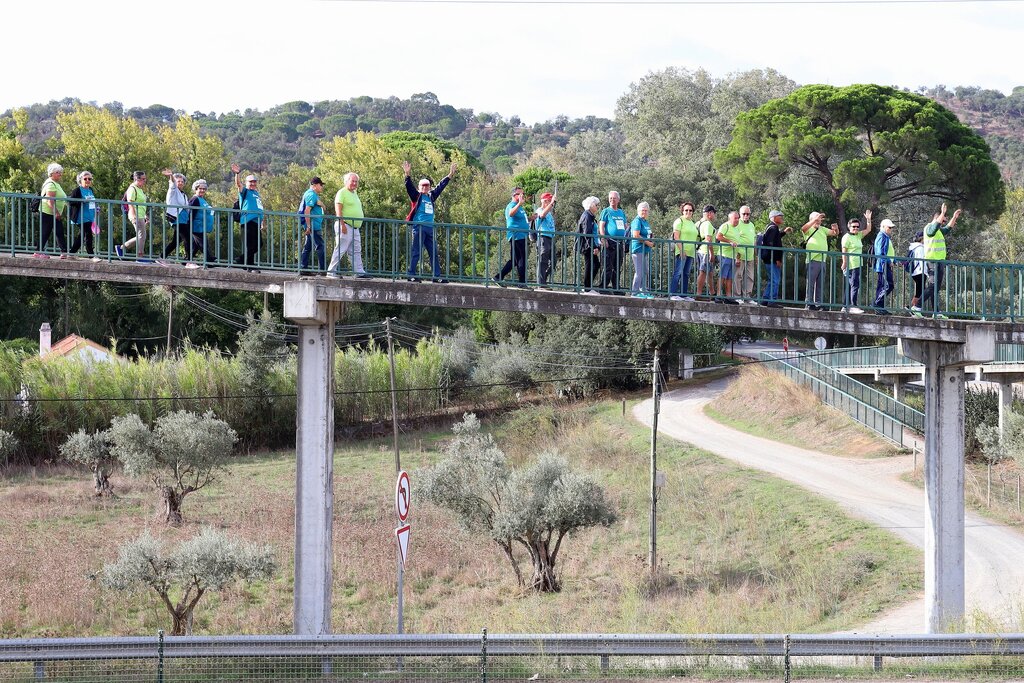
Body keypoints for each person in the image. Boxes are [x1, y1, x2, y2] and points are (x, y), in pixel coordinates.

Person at [403, 160, 456, 282]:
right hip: (419, 227)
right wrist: (407, 175)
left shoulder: (431, 196)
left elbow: (440, 187)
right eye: (423, 186)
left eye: (427, 186)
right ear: (419, 187)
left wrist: (449, 175)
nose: (425, 187)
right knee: (416, 251)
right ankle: (411, 274)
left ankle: (437, 277)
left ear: (429, 187)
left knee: (433, 253)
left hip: (430, 228)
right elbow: (409, 187)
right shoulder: (417, 196)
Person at [920, 202, 961, 318]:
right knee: (932, 286)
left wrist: (954, 217)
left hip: (939, 261)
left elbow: (947, 229)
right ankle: (916, 306)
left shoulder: (938, 230)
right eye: (942, 220)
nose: (943, 223)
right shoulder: (929, 228)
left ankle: (936, 312)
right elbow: (933, 230)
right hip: (932, 261)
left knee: (936, 288)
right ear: (936, 219)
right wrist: (942, 213)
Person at [327, 172, 367, 278]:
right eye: (352, 181)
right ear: (346, 181)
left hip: (355, 227)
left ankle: (359, 271)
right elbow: (338, 209)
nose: (354, 183)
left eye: (356, 181)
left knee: (356, 250)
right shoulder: (342, 192)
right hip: (345, 225)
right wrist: (342, 225)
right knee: (340, 248)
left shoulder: (354, 193)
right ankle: (331, 271)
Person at [802, 212, 839, 311]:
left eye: (819, 219)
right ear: (812, 219)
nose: (819, 221)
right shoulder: (809, 229)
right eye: (816, 219)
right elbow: (803, 229)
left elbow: (834, 233)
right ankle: (809, 303)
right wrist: (815, 219)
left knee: (820, 283)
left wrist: (836, 228)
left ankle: (818, 303)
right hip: (812, 259)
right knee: (810, 282)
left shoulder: (822, 229)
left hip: (822, 259)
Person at [232, 163, 265, 268]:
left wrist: (262, 221)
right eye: (250, 182)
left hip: (256, 222)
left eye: (254, 182)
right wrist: (237, 174)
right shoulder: (244, 191)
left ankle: (243, 261)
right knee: (250, 245)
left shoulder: (257, 194)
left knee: (258, 244)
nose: (253, 184)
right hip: (247, 220)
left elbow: (260, 208)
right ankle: (249, 265)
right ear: (246, 183)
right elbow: (238, 184)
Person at [495, 187, 530, 285]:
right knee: (521, 259)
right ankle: (522, 283)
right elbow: (510, 213)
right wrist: (519, 203)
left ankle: (498, 277)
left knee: (515, 260)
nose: (522, 196)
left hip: (521, 235)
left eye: (523, 194)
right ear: (514, 195)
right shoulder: (511, 205)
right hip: (517, 235)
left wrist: (532, 217)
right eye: (520, 194)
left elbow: (523, 220)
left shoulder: (520, 208)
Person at [840, 211, 873, 314]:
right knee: (854, 284)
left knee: (851, 285)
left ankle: (845, 306)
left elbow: (868, 229)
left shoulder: (858, 235)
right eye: (853, 227)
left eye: (857, 227)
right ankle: (853, 306)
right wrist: (844, 263)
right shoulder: (846, 237)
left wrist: (868, 219)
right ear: (849, 227)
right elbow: (844, 251)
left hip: (858, 264)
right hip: (851, 264)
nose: (856, 228)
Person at [34, 163, 68, 259]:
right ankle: (38, 252)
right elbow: (50, 200)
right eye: (57, 172)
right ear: (51, 173)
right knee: (46, 231)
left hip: (52, 212)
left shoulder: (55, 183)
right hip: (49, 212)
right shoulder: (51, 184)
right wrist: (56, 212)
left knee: (58, 231)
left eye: (60, 172)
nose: (60, 174)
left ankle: (63, 252)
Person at [760, 209, 792, 307]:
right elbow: (772, 244)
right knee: (775, 280)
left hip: (768, 259)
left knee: (772, 279)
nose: (782, 218)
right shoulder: (773, 228)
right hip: (772, 259)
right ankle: (772, 300)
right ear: (774, 218)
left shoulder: (771, 228)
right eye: (779, 216)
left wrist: (784, 232)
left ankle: (765, 299)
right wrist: (777, 259)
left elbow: (774, 239)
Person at [598, 191, 627, 293]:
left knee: (617, 266)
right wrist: (603, 238)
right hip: (609, 242)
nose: (612, 200)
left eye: (614, 198)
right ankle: (603, 287)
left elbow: (625, 226)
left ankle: (616, 288)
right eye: (610, 198)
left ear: (618, 200)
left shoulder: (621, 212)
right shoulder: (606, 211)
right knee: (607, 266)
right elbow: (601, 225)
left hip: (619, 243)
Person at [116, 171, 149, 261]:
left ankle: (122, 248)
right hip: (136, 215)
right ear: (137, 179)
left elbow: (142, 203)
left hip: (141, 215)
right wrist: (133, 215)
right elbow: (130, 202)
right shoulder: (132, 188)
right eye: (143, 179)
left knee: (141, 236)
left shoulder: (140, 189)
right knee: (141, 235)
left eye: (145, 179)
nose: (144, 181)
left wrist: (145, 215)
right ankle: (139, 257)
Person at [669, 201, 698, 302]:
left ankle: (683, 294)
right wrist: (681, 250)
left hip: (691, 252)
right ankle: (673, 293)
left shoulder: (692, 223)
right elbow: (676, 236)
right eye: (686, 210)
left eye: (690, 210)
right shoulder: (679, 221)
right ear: (682, 211)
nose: (688, 212)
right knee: (678, 272)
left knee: (686, 273)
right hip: (682, 251)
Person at [162, 169, 192, 260]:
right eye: (178, 181)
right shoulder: (173, 190)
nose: (180, 183)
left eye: (182, 182)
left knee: (176, 241)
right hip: (177, 219)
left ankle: (161, 257)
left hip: (183, 219)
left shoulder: (183, 194)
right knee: (188, 239)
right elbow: (172, 184)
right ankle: (188, 261)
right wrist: (171, 176)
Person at [299, 177, 327, 272]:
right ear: (314, 185)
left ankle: (304, 269)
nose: (322, 187)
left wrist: (321, 204)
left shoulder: (311, 194)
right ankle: (322, 270)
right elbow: (307, 210)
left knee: (308, 247)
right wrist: (309, 226)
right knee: (320, 247)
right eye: (320, 185)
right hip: (313, 225)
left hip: (313, 225)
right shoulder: (311, 194)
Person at [67, 170, 98, 258]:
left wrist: (96, 207)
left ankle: (71, 253)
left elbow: (92, 202)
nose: (88, 180)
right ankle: (92, 256)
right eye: (85, 179)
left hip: (90, 216)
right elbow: (71, 202)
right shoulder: (77, 190)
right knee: (88, 235)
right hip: (81, 217)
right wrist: (82, 201)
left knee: (82, 236)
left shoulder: (90, 190)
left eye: (90, 179)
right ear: (80, 180)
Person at [576, 196, 602, 294]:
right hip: (587, 246)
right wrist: (593, 247)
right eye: (596, 205)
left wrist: (597, 246)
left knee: (594, 265)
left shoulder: (590, 216)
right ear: (591, 206)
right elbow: (587, 233)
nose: (597, 207)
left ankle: (588, 287)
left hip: (590, 245)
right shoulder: (587, 216)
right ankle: (587, 288)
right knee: (592, 265)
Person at [733, 205, 759, 304]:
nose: (746, 216)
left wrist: (755, 255)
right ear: (740, 214)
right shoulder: (737, 224)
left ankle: (747, 296)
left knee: (750, 277)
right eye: (744, 214)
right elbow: (735, 239)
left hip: (750, 255)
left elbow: (754, 240)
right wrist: (737, 257)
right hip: (740, 255)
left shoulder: (752, 225)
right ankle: (737, 296)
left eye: (748, 214)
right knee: (738, 276)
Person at [187, 179, 215, 266]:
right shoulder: (195, 199)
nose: (202, 190)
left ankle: (187, 260)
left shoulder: (202, 199)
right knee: (203, 243)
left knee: (196, 245)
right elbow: (190, 214)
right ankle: (209, 261)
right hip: (196, 226)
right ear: (196, 189)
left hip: (202, 226)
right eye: (200, 188)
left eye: (204, 189)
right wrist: (189, 227)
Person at [715, 211, 741, 304]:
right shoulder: (725, 226)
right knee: (722, 275)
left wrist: (738, 257)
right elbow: (718, 236)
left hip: (733, 256)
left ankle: (729, 297)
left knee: (730, 277)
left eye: (738, 218)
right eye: (735, 218)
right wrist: (729, 241)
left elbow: (738, 242)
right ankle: (718, 295)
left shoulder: (737, 228)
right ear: (730, 218)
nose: (737, 220)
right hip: (724, 255)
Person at [872, 218, 897, 314]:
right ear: (883, 227)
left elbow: (889, 252)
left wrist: (894, 261)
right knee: (888, 285)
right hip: (883, 265)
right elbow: (880, 253)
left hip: (885, 264)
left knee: (882, 286)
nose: (890, 229)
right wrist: (888, 261)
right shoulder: (882, 236)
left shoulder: (886, 237)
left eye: (891, 228)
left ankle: (880, 308)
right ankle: (877, 303)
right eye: (889, 227)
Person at [630, 202, 654, 298]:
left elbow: (647, 233)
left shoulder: (645, 221)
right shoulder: (637, 221)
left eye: (645, 210)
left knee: (645, 271)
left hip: (645, 250)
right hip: (638, 249)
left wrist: (651, 239)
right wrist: (648, 243)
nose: (644, 212)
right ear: (638, 211)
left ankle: (643, 290)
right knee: (639, 271)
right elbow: (636, 235)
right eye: (642, 210)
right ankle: (634, 292)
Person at [534, 191, 557, 288]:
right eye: (549, 201)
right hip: (543, 237)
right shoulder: (539, 210)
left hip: (550, 238)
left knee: (554, 261)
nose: (551, 203)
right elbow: (542, 215)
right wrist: (551, 203)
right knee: (543, 260)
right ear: (544, 201)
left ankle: (543, 279)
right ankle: (541, 282)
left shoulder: (550, 213)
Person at [694, 205, 717, 299]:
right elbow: (708, 239)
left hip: (700, 250)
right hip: (705, 251)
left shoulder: (698, 223)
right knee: (703, 272)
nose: (715, 215)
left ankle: (712, 293)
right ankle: (698, 294)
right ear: (710, 213)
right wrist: (711, 253)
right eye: (714, 213)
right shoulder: (707, 224)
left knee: (709, 273)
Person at [908, 231, 927, 315]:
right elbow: (922, 261)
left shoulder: (914, 247)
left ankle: (912, 308)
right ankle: (913, 308)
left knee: (919, 292)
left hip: (915, 272)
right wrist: (926, 272)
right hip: (920, 272)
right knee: (921, 292)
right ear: (922, 238)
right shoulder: (920, 248)